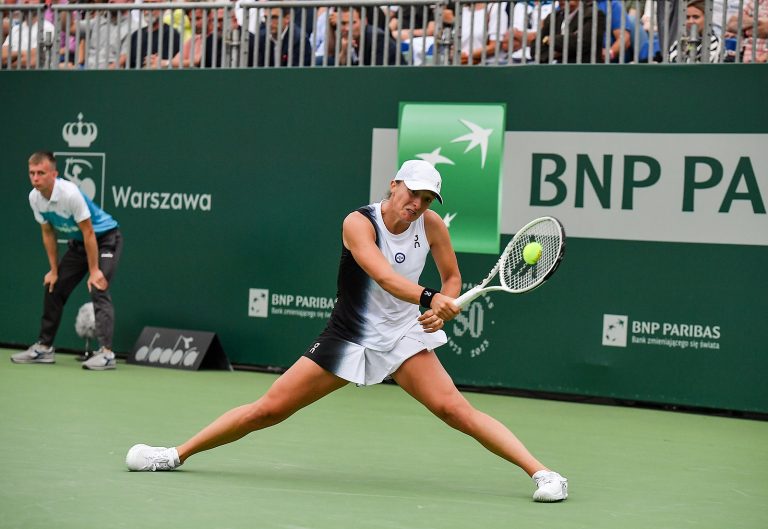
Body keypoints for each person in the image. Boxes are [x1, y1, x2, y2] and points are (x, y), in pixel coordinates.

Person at [125, 160, 569, 503]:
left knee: (455, 410)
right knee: (267, 410)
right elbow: (385, 277)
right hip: (349, 335)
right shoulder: (358, 223)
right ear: (394, 185)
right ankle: (174, 454)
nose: (417, 204)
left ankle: (545, 474)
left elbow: (452, 278)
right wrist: (431, 298)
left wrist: (443, 307)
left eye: (427, 199)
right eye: (412, 193)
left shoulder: (430, 225)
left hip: (403, 336)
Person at [12, 151, 123, 371]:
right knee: (53, 286)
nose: (35, 178)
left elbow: (89, 232)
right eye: (32, 173)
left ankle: (106, 353)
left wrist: (94, 270)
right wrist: (53, 270)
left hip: (105, 239)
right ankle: (44, 348)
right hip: (80, 244)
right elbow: (48, 233)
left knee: (98, 286)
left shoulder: (70, 194)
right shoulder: (34, 197)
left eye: (41, 173)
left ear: (54, 174)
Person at [325, 5, 403, 66]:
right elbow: (340, 72)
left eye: (353, 22)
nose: (348, 28)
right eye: (343, 23)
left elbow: (378, 74)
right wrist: (344, 52)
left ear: (364, 21)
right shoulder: (346, 39)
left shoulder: (377, 38)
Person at [537, 0, 607, 63]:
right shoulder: (553, 17)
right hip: (555, 70)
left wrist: (549, 40)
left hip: (584, 69)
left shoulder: (594, 14)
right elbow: (535, 48)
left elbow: (582, 43)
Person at [76, 0, 134, 69]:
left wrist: (96, 74)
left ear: (130, 1)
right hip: (87, 69)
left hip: (107, 73)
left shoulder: (134, 27)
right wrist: (67, 3)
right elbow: (70, 26)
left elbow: (122, 60)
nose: (110, 0)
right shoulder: (98, 21)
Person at [123, 0, 181, 68]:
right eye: (145, 3)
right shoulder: (135, 35)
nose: (149, 8)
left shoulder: (173, 35)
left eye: (154, 2)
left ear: (164, 8)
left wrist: (161, 63)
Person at [1, 0, 55, 69]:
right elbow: (2, 57)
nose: (26, 1)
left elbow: (32, 61)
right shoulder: (15, 29)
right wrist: (24, 53)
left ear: (42, 2)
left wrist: (10, 59)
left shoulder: (48, 28)